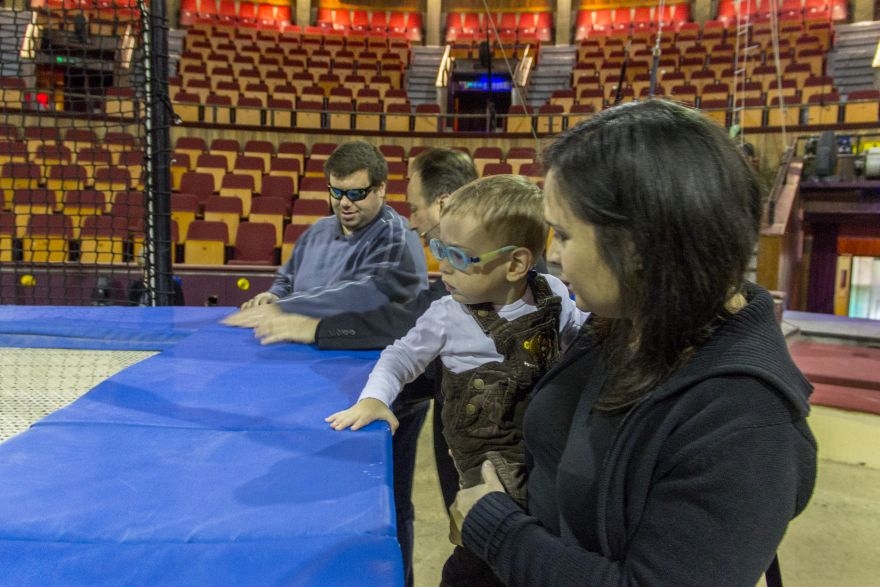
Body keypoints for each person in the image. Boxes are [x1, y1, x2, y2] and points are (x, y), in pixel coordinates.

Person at [449, 100, 818, 586]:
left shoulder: (746, 421)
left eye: (562, 234)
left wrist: (493, 528)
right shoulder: (628, 318)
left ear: (637, 249)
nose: (551, 255)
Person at [229, 148, 478, 587]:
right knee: (467, 547)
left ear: (441, 203)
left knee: (470, 541)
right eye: (337, 192)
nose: (414, 220)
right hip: (436, 413)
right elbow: (414, 333)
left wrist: (311, 326)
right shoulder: (319, 233)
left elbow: (398, 317)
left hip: (476, 447)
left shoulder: (413, 245)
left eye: (415, 207)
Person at [326, 174, 588, 586]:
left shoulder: (552, 293)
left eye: (459, 257)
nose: (443, 266)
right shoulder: (448, 314)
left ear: (516, 263)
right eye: (438, 249)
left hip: (543, 450)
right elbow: (399, 356)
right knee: (477, 558)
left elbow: (580, 338)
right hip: (485, 460)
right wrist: (375, 398)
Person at [226, 140, 427, 319]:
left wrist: (283, 307)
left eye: (356, 193)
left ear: (381, 189)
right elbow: (288, 280)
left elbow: (365, 297)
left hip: (366, 356)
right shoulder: (318, 230)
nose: (345, 203)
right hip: (302, 348)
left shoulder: (396, 234)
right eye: (337, 192)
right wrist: (274, 296)